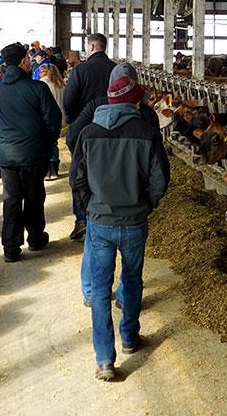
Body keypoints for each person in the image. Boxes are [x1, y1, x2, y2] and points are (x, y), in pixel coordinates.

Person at [73, 75, 169, 381]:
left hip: (100, 223)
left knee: (100, 291)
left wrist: (91, 206)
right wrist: (146, 205)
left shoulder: (87, 134)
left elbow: (77, 179)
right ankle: (129, 337)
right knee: (132, 279)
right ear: (134, 103)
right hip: (134, 221)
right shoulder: (147, 132)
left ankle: (104, 359)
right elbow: (160, 180)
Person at [68, 64, 159, 303]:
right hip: (134, 205)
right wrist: (148, 200)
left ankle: (90, 293)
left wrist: (88, 192)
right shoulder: (147, 115)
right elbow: (157, 166)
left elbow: (71, 137)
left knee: (94, 250)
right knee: (132, 266)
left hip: (99, 205)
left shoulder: (95, 107)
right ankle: (125, 301)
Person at [0, 44, 62, 262]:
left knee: (11, 199)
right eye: (27, 58)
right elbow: (53, 121)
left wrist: (1, 140)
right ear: (22, 63)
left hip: (7, 156)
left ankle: (10, 247)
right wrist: (47, 140)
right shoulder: (38, 88)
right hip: (34, 154)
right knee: (34, 196)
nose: (29, 61)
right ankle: (36, 239)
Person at [62, 34, 117, 240]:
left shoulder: (80, 70)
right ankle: (109, 213)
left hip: (86, 130)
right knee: (109, 171)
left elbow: (68, 101)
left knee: (81, 172)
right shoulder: (115, 70)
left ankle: (83, 219)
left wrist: (76, 122)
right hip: (114, 130)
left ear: (92, 46)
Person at [38, 63, 68, 180]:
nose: (39, 74)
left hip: (46, 118)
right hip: (60, 118)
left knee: (45, 144)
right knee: (54, 143)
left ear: (45, 72)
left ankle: (47, 170)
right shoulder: (61, 85)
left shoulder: (42, 84)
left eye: (41, 71)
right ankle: (54, 169)